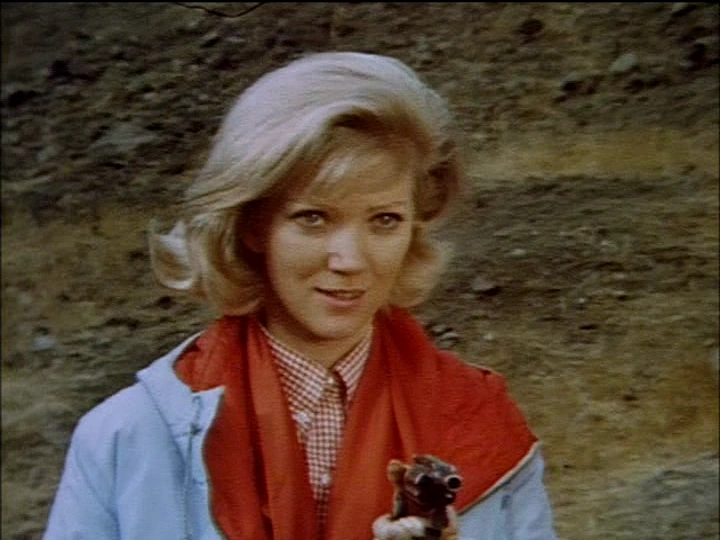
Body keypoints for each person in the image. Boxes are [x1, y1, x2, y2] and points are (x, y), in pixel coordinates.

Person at [44, 51, 557, 540]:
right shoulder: (126, 437)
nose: (350, 259)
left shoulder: (481, 419)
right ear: (251, 225)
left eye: (385, 220)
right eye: (313, 218)